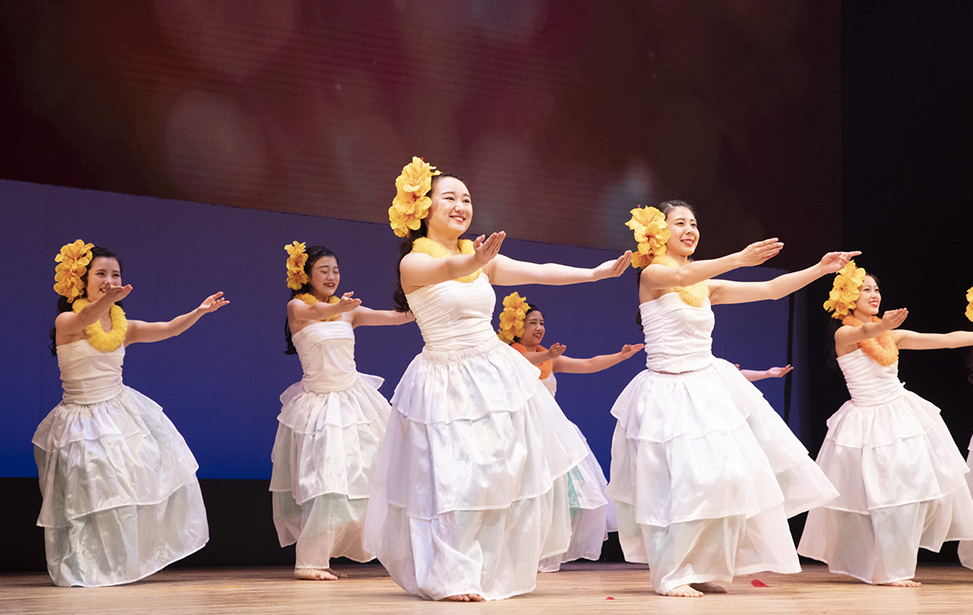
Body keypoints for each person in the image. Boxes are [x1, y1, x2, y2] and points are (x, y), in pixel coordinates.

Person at [364, 157, 630, 602]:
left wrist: (593, 273)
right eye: (449, 197)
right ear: (422, 208)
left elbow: (539, 270)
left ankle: (481, 566)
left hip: (493, 375)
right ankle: (447, 575)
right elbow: (447, 271)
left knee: (495, 472)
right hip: (444, 381)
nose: (461, 206)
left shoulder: (478, 259)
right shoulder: (415, 262)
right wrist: (476, 259)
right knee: (453, 478)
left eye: (467, 199)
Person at [606, 201, 851, 597]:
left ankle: (700, 566)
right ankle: (671, 574)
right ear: (658, 232)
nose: (690, 229)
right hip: (667, 393)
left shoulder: (704, 286)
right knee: (681, 484)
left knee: (728, 477)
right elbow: (681, 274)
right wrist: (739, 257)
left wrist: (820, 269)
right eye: (680, 223)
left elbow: (771, 290)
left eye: (694, 223)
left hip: (706, 388)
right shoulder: (653, 275)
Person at [34, 240, 227, 587]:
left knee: (127, 485)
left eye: (115, 275)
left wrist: (198, 311)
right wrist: (108, 299)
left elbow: (169, 328)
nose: (109, 281)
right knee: (90, 493)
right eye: (101, 274)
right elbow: (85, 317)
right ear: (81, 280)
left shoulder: (124, 327)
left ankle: (121, 563)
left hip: (119, 413)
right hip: (79, 420)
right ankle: (85, 566)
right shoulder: (68, 321)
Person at [798, 265, 973, 586]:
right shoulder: (844, 334)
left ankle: (894, 566)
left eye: (876, 289)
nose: (874, 294)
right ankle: (886, 570)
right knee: (880, 499)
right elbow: (864, 332)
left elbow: (947, 340)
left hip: (903, 418)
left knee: (913, 493)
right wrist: (883, 326)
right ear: (848, 298)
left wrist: (886, 328)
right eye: (865, 289)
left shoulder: (890, 336)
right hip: (865, 425)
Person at [270, 242, 413, 580]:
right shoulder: (297, 306)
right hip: (319, 407)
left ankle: (393, 552)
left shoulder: (350, 312)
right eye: (324, 270)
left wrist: (425, 298)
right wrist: (339, 306)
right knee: (327, 481)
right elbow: (312, 313)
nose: (332, 276)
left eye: (335, 270)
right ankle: (309, 562)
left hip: (356, 403)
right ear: (306, 275)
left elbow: (397, 319)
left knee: (372, 475)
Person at [497, 293, 642, 571]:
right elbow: (525, 360)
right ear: (516, 327)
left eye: (541, 323)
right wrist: (547, 354)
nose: (539, 328)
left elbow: (588, 363)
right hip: (521, 432)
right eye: (532, 323)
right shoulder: (509, 355)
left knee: (556, 495)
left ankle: (543, 551)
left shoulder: (549, 359)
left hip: (553, 433)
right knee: (524, 492)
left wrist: (620, 356)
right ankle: (515, 553)